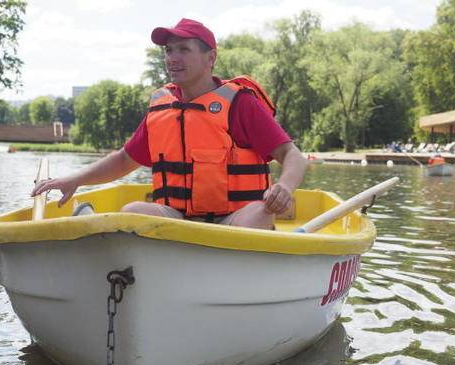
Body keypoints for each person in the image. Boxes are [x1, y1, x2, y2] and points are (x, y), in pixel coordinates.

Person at [31, 18, 308, 230]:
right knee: (131, 213)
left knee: (260, 214)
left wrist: (284, 188)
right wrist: (75, 179)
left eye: (183, 50)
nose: (172, 59)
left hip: (234, 219)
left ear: (210, 58)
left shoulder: (240, 103)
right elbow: (124, 160)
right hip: (178, 220)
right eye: (168, 50)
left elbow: (292, 156)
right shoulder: (161, 108)